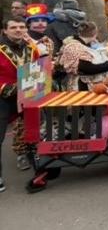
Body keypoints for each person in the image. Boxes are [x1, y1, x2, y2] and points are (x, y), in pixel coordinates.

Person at [0, 17, 42, 188]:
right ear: (5, 30)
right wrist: (8, 88)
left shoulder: (32, 48)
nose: (18, 30)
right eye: (13, 27)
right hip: (3, 97)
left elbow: (39, 68)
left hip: (28, 96)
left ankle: (39, 167)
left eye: (21, 27)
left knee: (34, 132)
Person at [56, 21, 108, 91]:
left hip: (78, 82)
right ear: (95, 34)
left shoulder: (74, 43)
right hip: (81, 85)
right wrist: (107, 64)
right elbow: (86, 68)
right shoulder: (75, 46)